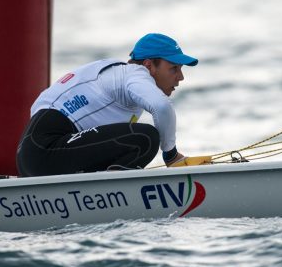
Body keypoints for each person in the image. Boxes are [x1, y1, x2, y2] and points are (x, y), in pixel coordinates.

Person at [16, 33, 198, 177]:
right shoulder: (135, 74)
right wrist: (170, 155)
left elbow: (40, 105)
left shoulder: (114, 72)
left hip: (30, 153)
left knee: (131, 141)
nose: (180, 77)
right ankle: (111, 190)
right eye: (174, 68)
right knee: (145, 138)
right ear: (148, 65)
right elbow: (162, 107)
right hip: (45, 150)